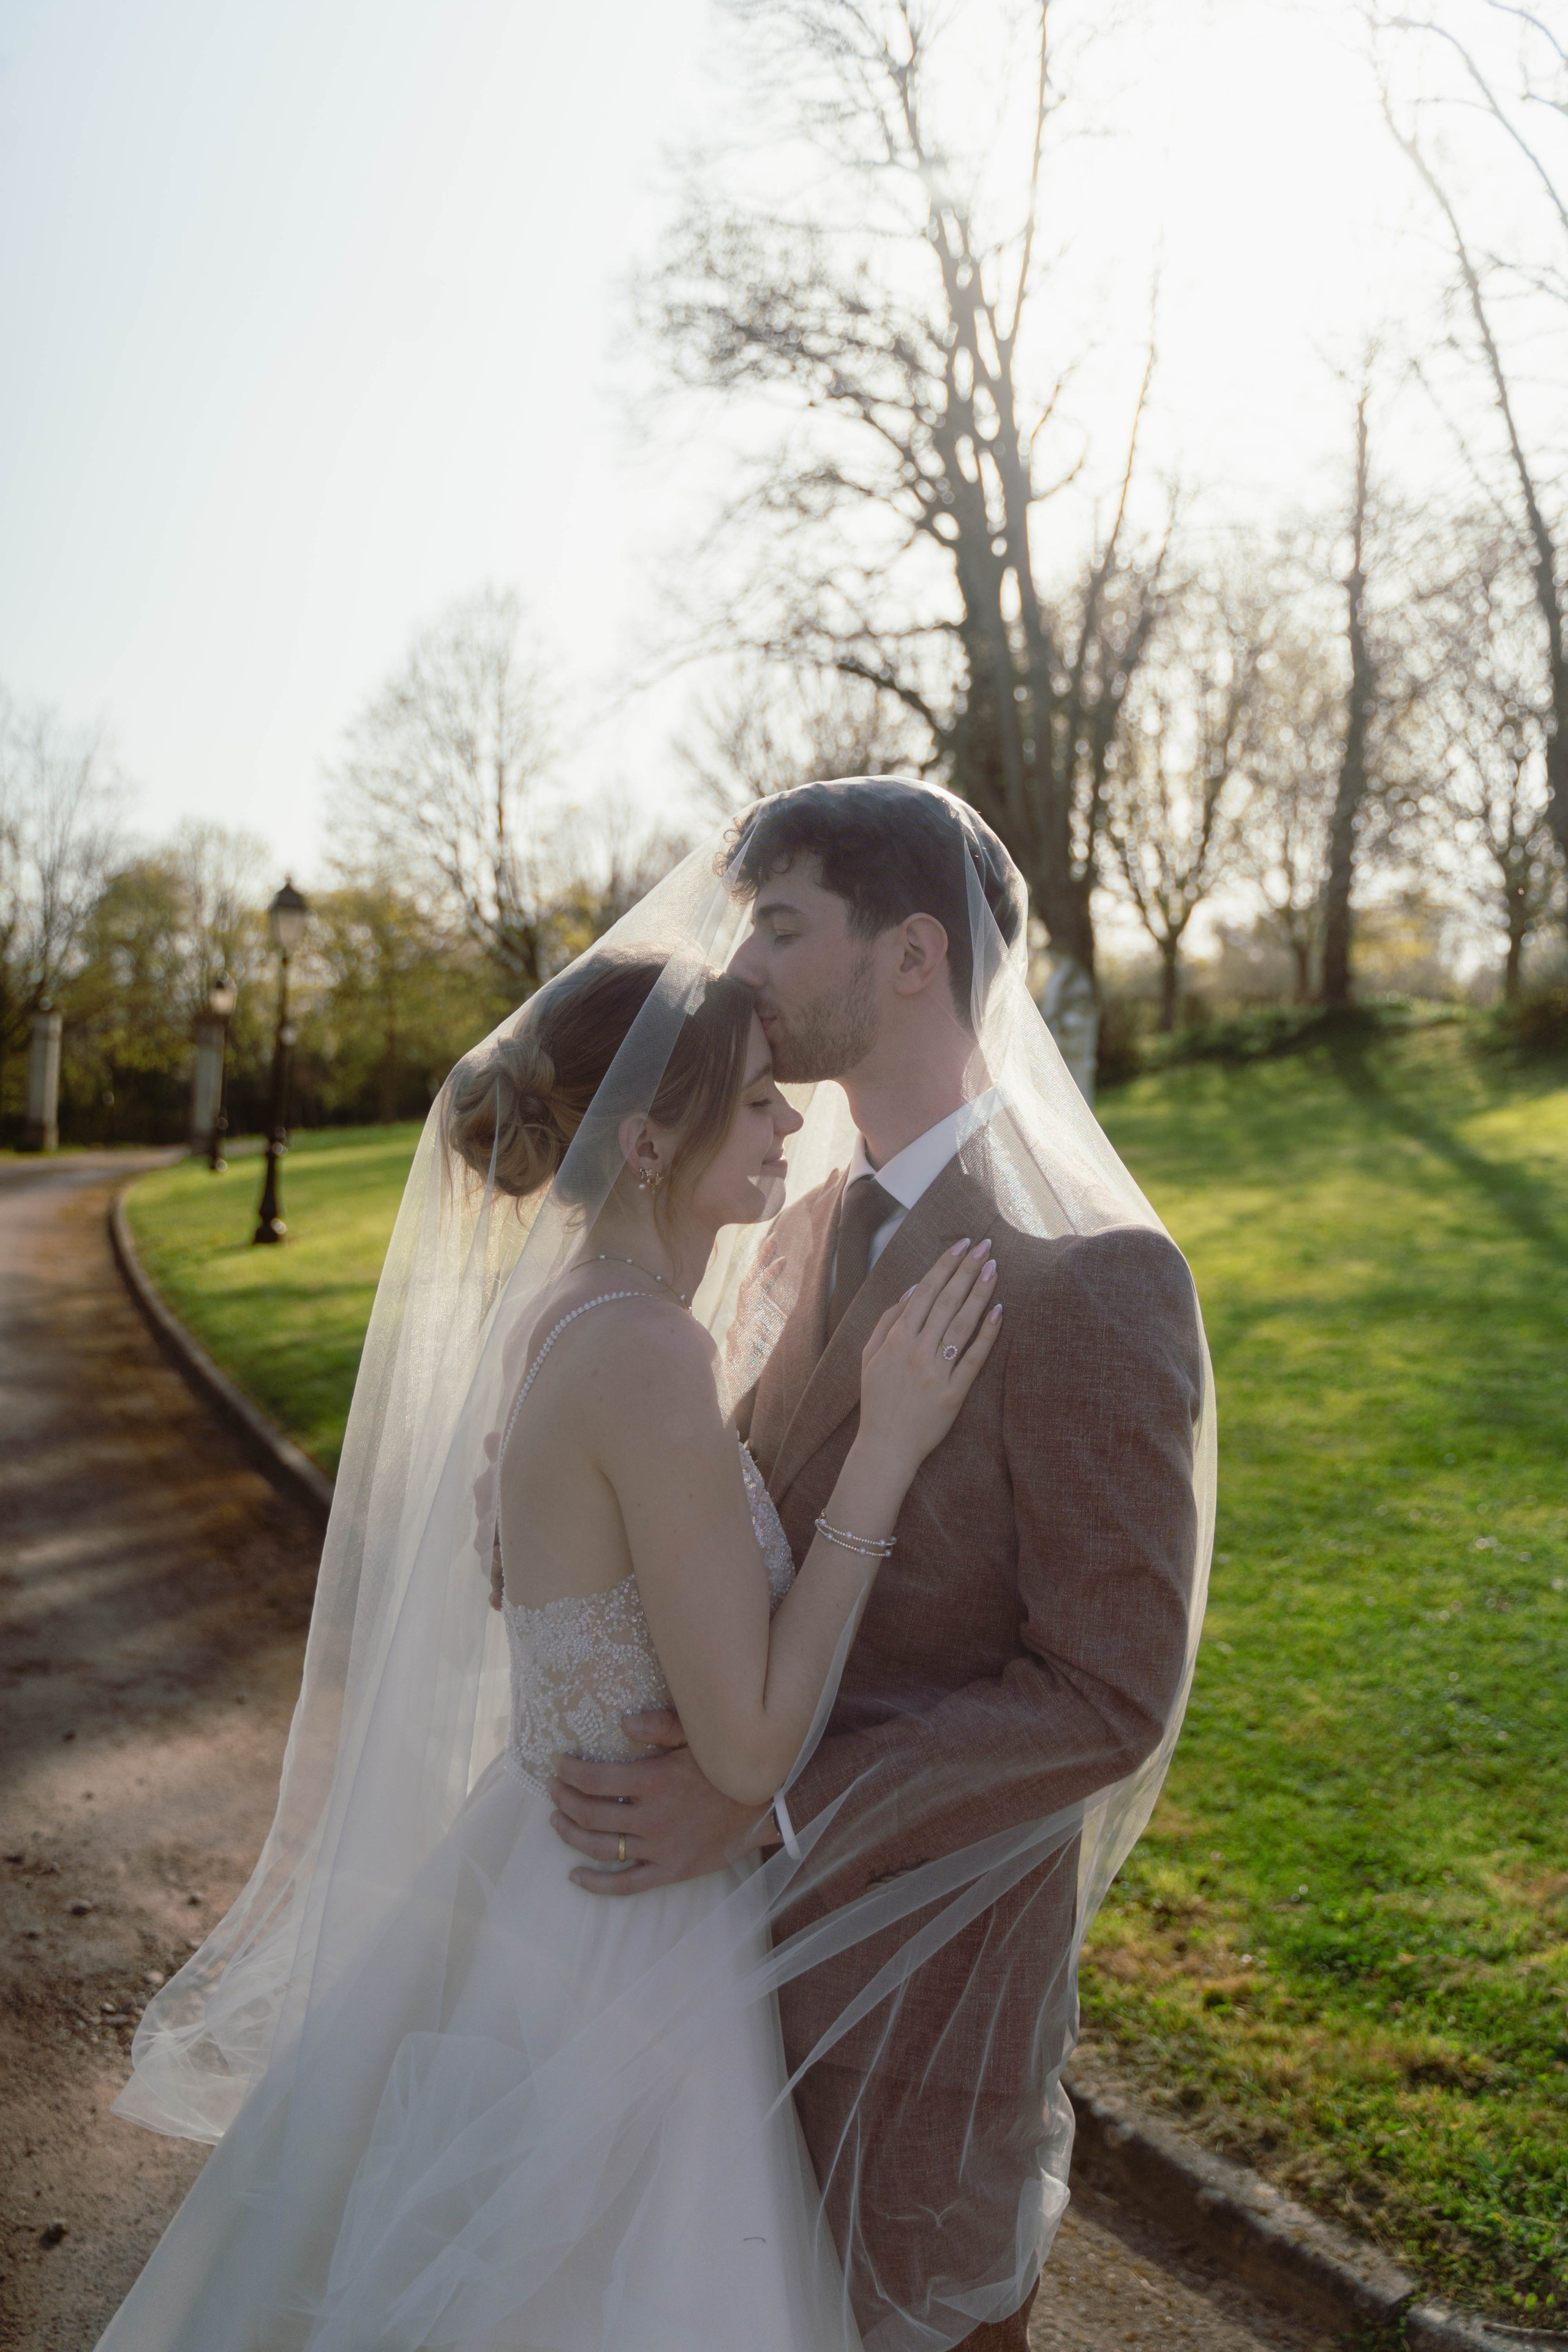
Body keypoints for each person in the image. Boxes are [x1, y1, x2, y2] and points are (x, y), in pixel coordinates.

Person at [94, 946, 1001, 2352]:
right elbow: (748, 1746)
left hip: (538, 1872)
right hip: (628, 1932)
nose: (789, 1122)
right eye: (757, 1099)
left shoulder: (571, 1314)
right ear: (645, 1142)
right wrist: (882, 1454)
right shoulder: (645, 1353)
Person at [548, 780, 1207, 2350]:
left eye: (781, 928)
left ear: (912, 954)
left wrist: (770, 1807)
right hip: (705, 1994)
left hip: (918, 2014)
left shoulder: (1091, 1278)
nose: (742, 970)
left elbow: (1106, 1693)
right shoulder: (793, 1223)